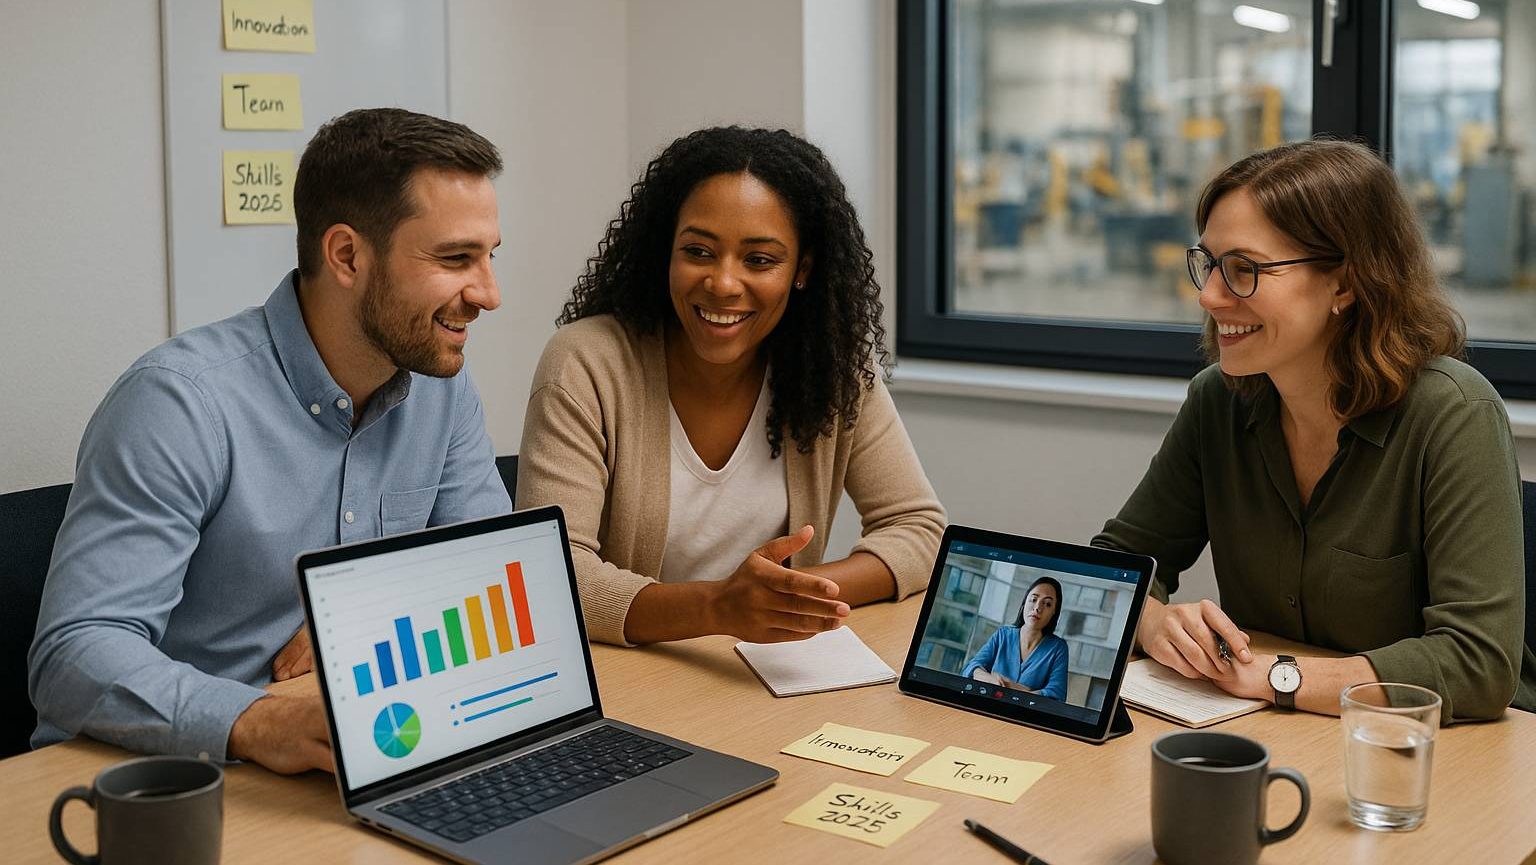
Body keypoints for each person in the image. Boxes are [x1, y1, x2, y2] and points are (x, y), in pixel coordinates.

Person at [28, 108, 513, 772]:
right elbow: (73, 654)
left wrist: (365, 611)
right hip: (174, 781)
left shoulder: (442, 388)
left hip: (358, 752)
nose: (489, 293)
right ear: (346, 255)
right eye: (456, 258)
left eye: (489, 256)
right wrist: (254, 720)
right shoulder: (178, 402)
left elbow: (485, 575)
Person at [1093, 139, 1533, 722]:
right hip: (1278, 734)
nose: (1208, 295)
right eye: (1209, 264)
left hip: (1442, 753)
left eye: (1244, 269)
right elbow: (1115, 563)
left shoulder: (1453, 413)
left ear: (1345, 285)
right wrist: (1151, 621)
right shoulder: (1217, 403)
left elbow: (1477, 663)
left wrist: (1277, 677)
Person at [516, 126, 945, 646]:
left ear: (801, 269)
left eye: (759, 260)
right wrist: (721, 606)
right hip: (631, 680)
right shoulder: (586, 363)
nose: (722, 282)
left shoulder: (833, 368)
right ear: (665, 252)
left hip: (763, 677)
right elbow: (554, 575)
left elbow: (920, 529)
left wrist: (783, 599)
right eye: (698, 251)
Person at [961, 577, 1070, 701]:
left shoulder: (1058, 648)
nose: (1037, 608)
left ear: (1054, 613)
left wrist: (1015, 689)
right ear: (1024, 602)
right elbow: (972, 667)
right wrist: (994, 680)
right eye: (1033, 599)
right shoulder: (1003, 635)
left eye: (1047, 604)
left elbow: (1056, 694)